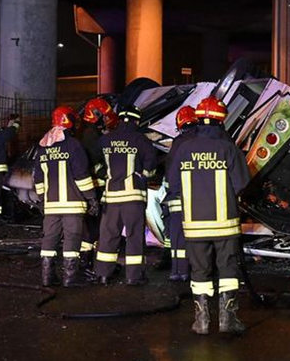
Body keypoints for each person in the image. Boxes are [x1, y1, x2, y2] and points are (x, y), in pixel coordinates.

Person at [165, 96, 251, 335]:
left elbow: (173, 183)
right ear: (221, 121)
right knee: (228, 270)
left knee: (199, 270)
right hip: (225, 223)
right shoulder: (227, 148)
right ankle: (228, 320)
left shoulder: (183, 148)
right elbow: (242, 182)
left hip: (194, 224)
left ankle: (201, 321)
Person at [33, 106, 99, 287]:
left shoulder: (43, 147)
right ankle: (70, 278)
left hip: (51, 205)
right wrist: (91, 198)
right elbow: (81, 175)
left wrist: (42, 199)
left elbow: (38, 178)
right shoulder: (73, 145)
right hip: (72, 204)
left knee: (50, 238)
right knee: (72, 238)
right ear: (70, 122)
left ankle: (47, 277)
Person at [95, 105, 158, 285]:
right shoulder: (140, 140)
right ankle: (134, 276)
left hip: (111, 198)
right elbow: (151, 166)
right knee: (134, 236)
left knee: (108, 236)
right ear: (137, 120)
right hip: (133, 197)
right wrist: (143, 176)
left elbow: (95, 164)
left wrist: (106, 176)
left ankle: (103, 274)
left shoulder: (105, 139)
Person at [77, 97, 117, 271]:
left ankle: (88, 261)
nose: (107, 119)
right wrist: (107, 174)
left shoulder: (89, 132)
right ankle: (89, 263)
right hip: (94, 187)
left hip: (92, 187)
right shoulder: (91, 136)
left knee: (93, 227)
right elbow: (94, 162)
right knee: (95, 226)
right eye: (105, 116)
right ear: (97, 115)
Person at [162, 106, 198, 282]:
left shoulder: (179, 143)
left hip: (178, 197)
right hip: (200, 197)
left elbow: (171, 170)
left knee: (177, 235)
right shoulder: (204, 140)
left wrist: (171, 191)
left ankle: (178, 270)